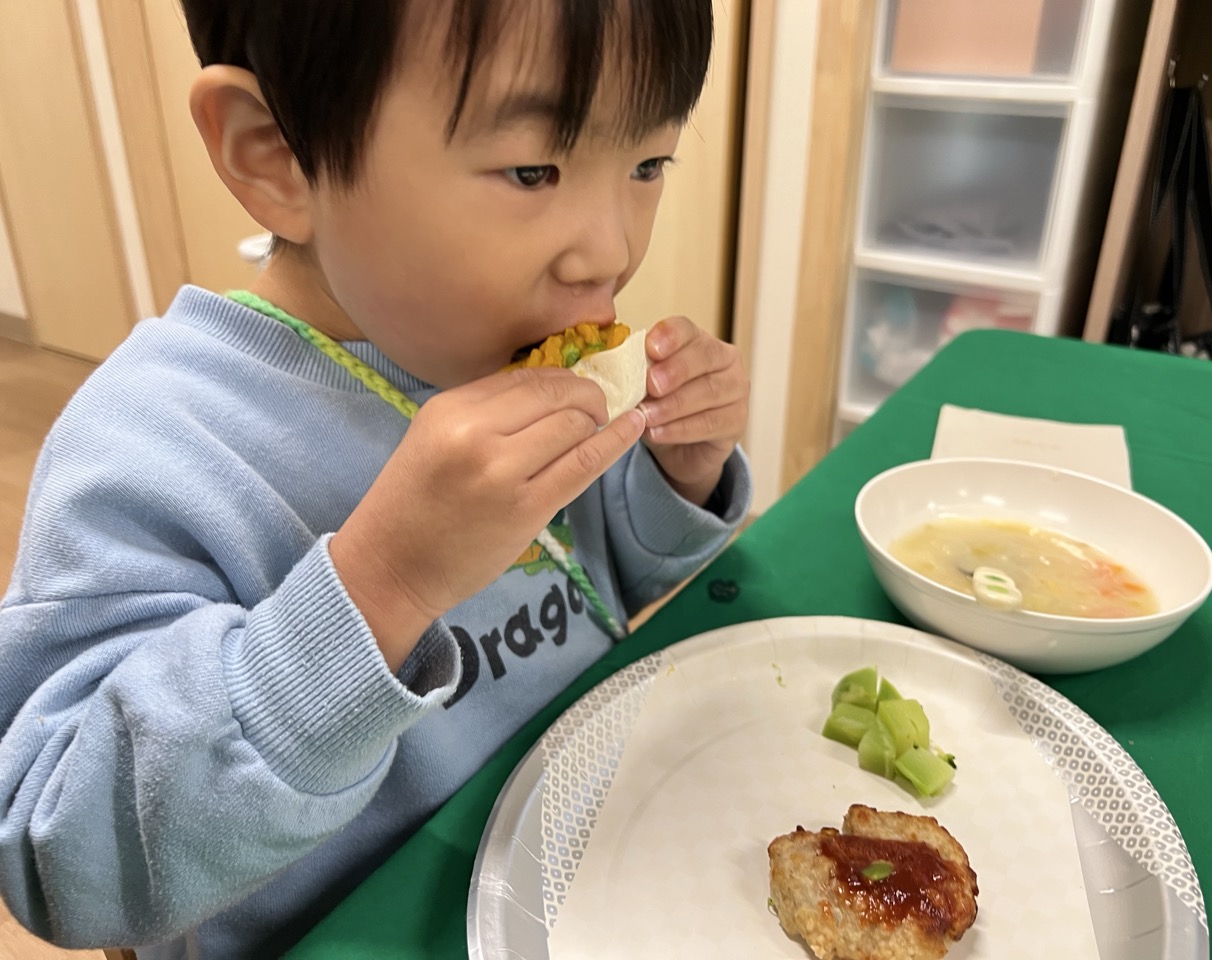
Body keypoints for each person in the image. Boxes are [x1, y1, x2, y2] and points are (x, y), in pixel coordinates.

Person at [0, 1, 750, 957]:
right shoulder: (152, 445)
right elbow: (55, 859)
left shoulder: (508, 348)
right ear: (276, 155)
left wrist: (679, 475)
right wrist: (384, 583)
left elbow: (590, 591)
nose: (612, 252)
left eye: (648, 164)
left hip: (593, 874)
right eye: (533, 170)